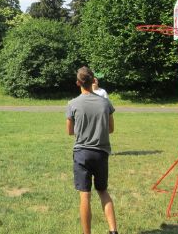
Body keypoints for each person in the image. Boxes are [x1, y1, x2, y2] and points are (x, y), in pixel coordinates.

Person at [66, 66, 118, 234]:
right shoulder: (105, 102)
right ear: (93, 81)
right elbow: (111, 128)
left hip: (82, 153)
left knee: (85, 195)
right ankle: (113, 230)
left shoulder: (72, 104)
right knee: (103, 191)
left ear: (78, 83)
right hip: (101, 153)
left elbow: (69, 131)